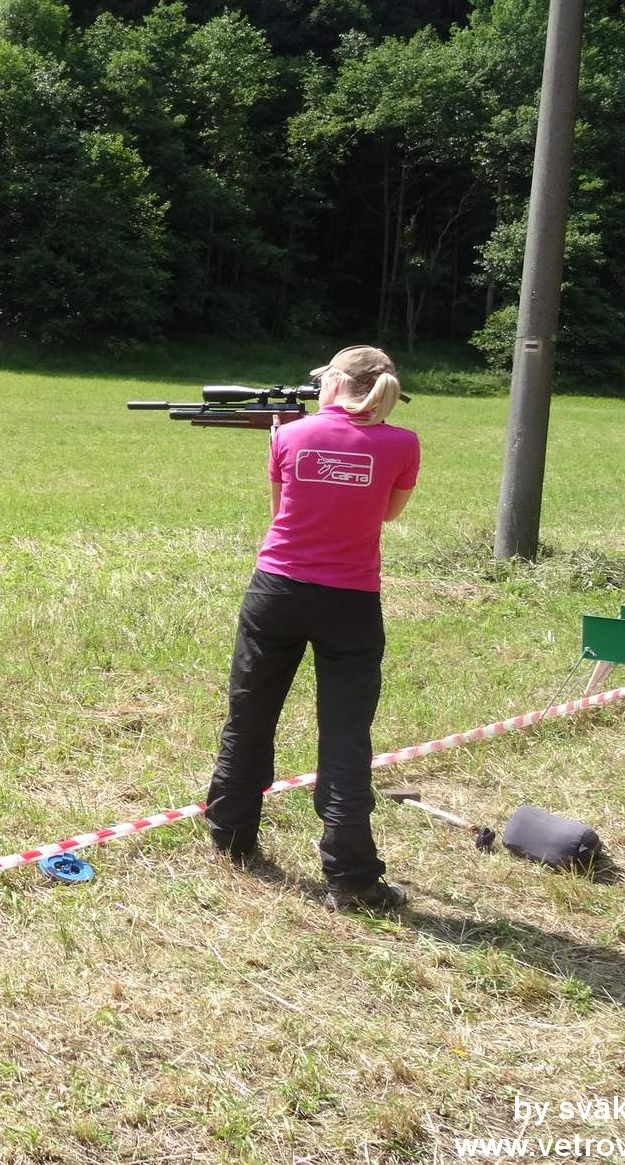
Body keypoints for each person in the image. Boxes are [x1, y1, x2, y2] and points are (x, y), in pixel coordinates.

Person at [203, 347, 420, 913]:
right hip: (351, 601)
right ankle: (352, 879)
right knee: (346, 735)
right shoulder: (403, 444)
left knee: (249, 714)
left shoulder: (289, 435)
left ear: (337, 383)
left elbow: (282, 511)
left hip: (276, 591)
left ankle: (231, 835)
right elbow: (387, 513)